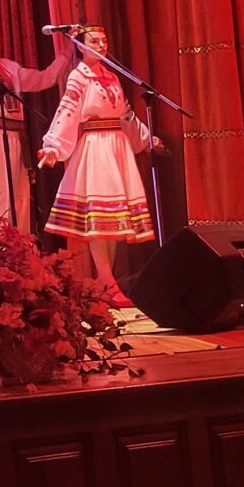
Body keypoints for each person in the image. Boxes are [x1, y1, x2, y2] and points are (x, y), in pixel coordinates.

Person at [37, 25, 165, 306]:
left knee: (113, 220)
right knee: (99, 219)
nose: (101, 45)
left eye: (104, 41)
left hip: (116, 145)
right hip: (96, 146)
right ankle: (107, 281)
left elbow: (125, 113)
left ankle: (106, 281)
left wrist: (146, 138)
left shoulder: (112, 76)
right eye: (94, 41)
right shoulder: (78, 76)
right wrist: (53, 146)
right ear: (81, 46)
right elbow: (67, 110)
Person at [0, 13, 73, 229]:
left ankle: (21, 245)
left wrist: (66, 54)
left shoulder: (10, 68)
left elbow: (44, 79)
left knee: (20, 198)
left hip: (16, 136)